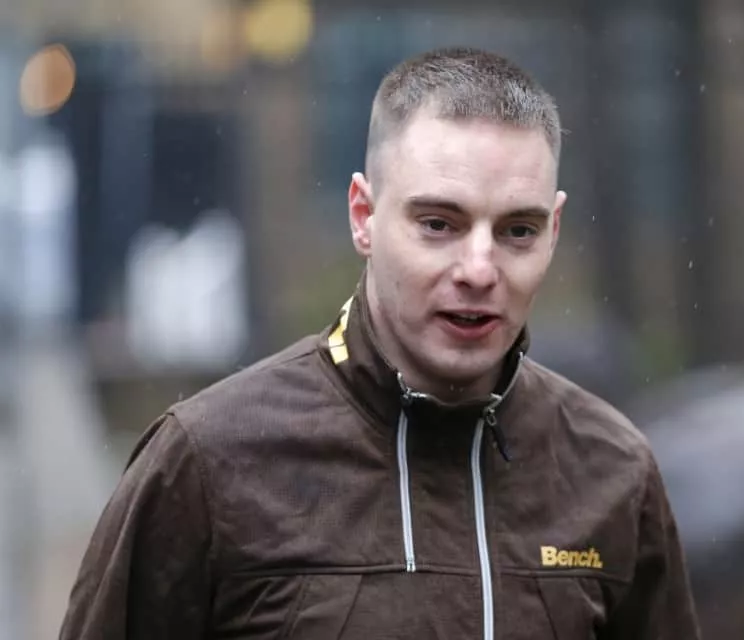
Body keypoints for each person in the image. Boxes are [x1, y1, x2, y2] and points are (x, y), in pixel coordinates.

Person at [60, 47, 701, 640]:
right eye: (438, 224)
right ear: (363, 217)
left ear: (553, 231)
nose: (480, 269)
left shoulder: (612, 472)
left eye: (518, 231)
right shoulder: (209, 463)